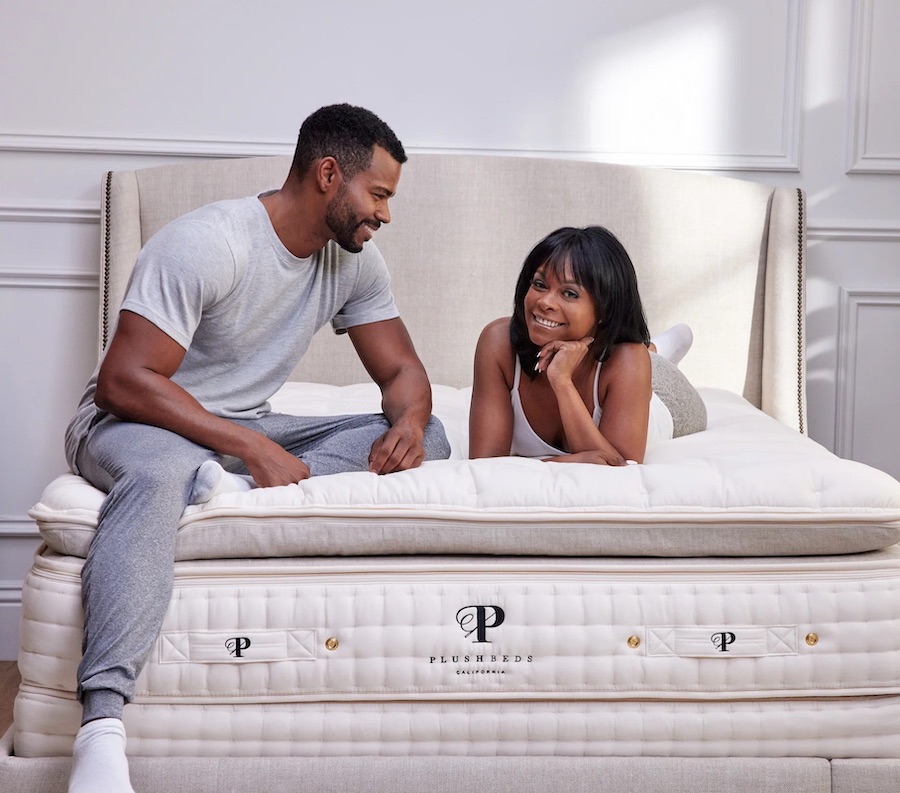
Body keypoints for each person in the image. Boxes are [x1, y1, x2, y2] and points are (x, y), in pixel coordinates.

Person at [62, 103, 450, 793]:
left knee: (435, 437)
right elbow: (124, 381)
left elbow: (402, 375)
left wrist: (411, 425)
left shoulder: (352, 261)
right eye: (379, 195)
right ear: (330, 175)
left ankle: (226, 487)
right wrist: (246, 443)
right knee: (164, 470)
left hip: (232, 436)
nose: (385, 214)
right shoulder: (212, 243)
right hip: (128, 424)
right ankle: (100, 729)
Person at [469, 225, 706, 464]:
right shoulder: (498, 341)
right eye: (540, 284)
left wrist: (562, 380)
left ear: (604, 309)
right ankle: (653, 349)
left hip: (664, 396)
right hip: (621, 368)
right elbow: (484, 463)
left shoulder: (628, 360)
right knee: (640, 358)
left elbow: (619, 467)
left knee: (643, 359)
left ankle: (658, 349)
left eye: (570, 293)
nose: (545, 302)